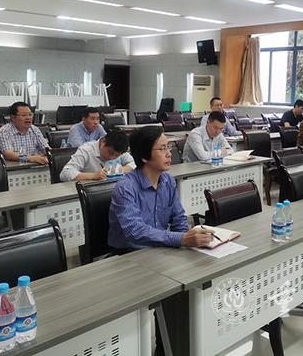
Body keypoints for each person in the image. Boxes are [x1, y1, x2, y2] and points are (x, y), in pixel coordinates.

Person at [107, 126, 215, 356]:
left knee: (191, 284)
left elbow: (179, 219)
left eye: (169, 147)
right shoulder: (125, 187)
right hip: (128, 257)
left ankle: (171, 349)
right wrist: (181, 239)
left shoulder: (167, 181)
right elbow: (134, 231)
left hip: (159, 250)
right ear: (145, 156)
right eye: (162, 148)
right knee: (173, 290)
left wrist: (187, 244)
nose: (169, 154)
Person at [60, 131, 136, 182]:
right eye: (110, 153)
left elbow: (134, 163)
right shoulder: (86, 150)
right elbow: (65, 174)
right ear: (103, 142)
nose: (112, 158)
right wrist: (94, 175)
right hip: (89, 191)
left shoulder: (119, 149)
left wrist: (120, 170)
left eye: (117, 156)